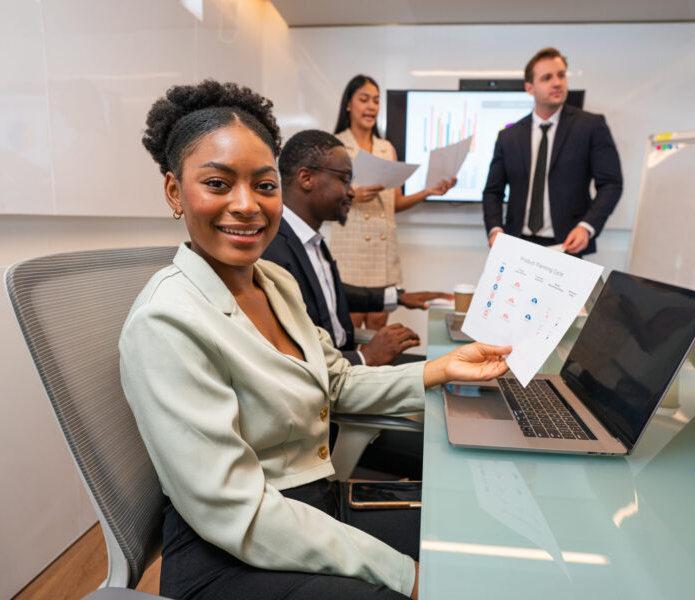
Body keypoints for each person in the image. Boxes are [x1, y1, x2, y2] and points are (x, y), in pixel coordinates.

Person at [120, 79, 512, 600]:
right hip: (231, 551)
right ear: (175, 192)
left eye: (263, 185)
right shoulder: (165, 322)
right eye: (217, 183)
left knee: (468, 543)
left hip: (311, 507)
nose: (247, 205)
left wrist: (440, 369)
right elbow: (239, 511)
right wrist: (402, 574)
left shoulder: (274, 282)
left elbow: (336, 379)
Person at [264, 129, 451, 367]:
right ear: (306, 178)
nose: (351, 191)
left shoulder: (307, 237)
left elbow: (326, 293)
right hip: (329, 381)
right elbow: (288, 358)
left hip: (346, 364)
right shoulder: (272, 251)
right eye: (344, 179)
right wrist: (366, 357)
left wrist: (398, 297)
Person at [331, 74, 456, 330]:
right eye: (364, 99)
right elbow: (321, 198)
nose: (371, 107)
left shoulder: (386, 147)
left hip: (382, 252)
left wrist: (428, 191)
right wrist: (351, 195)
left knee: (379, 328)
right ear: (348, 104)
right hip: (350, 249)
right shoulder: (335, 145)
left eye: (376, 101)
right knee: (350, 327)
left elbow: (395, 203)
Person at [482, 47, 623, 256]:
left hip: (566, 245)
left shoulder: (591, 126)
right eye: (547, 78)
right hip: (516, 244)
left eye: (561, 75)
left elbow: (611, 183)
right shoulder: (508, 137)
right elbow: (493, 191)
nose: (557, 82)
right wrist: (495, 229)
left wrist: (587, 226)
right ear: (530, 88)